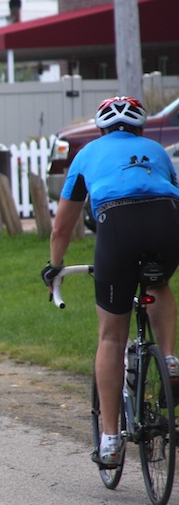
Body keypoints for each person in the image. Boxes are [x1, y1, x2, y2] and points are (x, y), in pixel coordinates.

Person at [42, 96, 179, 468]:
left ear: (102, 128)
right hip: (168, 223)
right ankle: (169, 359)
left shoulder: (86, 153)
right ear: (140, 127)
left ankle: (110, 440)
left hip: (119, 228)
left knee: (112, 336)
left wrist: (54, 267)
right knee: (157, 284)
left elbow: (61, 226)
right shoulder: (158, 150)